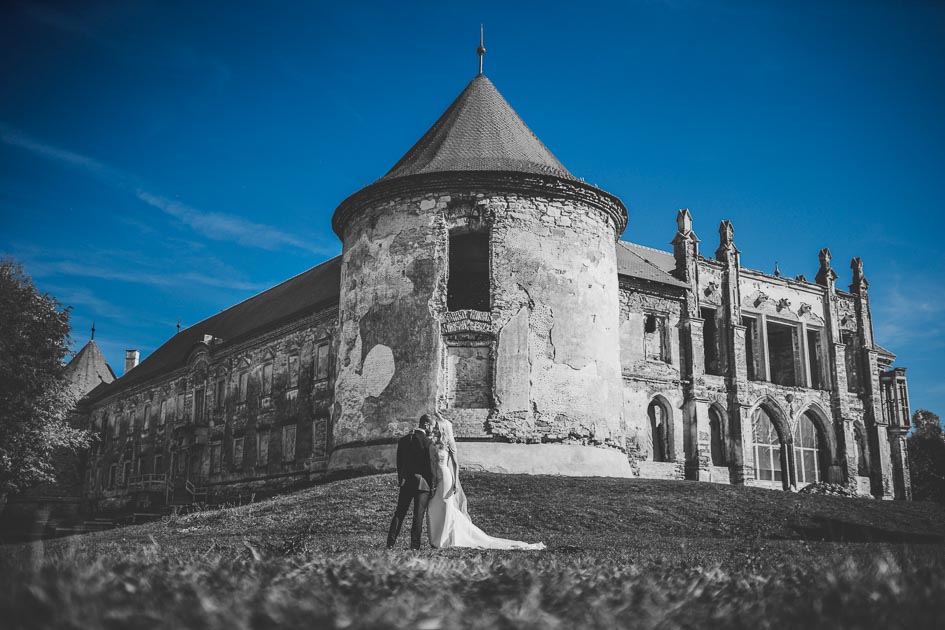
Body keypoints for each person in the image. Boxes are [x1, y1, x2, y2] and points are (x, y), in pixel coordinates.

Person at [426, 418, 545, 550]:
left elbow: (455, 463)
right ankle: (442, 537)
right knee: (434, 507)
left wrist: (456, 481)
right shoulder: (432, 444)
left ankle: (445, 540)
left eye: (437, 426)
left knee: (446, 505)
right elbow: (431, 464)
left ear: (441, 428)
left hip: (447, 477)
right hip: (438, 477)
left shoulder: (448, 443)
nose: (434, 428)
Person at [387, 414, 440, 550]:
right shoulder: (428, 443)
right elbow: (431, 467)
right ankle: (414, 546)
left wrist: (401, 479)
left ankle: (390, 544)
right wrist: (433, 486)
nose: (432, 430)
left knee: (399, 513)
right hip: (423, 485)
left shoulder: (403, 440)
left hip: (406, 482)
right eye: (432, 426)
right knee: (418, 516)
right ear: (427, 424)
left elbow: (400, 462)